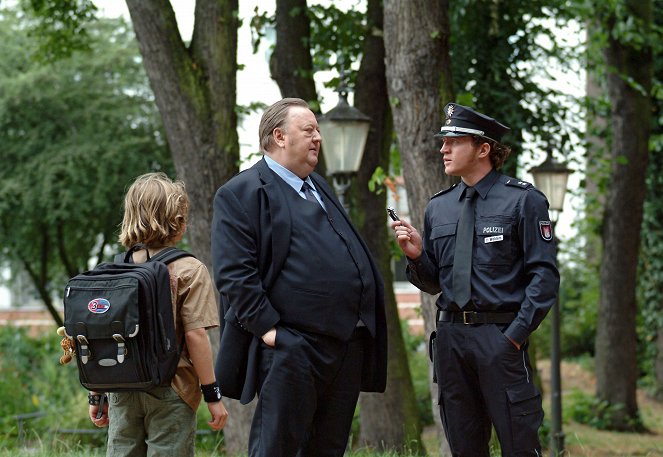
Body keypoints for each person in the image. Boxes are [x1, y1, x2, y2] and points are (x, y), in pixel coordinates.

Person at [211, 97, 387, 457]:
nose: (318, 138)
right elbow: (234, 274)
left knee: (328, 448)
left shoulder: (319, 186)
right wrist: (272, 332)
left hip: (344, 347)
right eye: (308, 130)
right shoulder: (240, 193)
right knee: (279, 449)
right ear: (279, 136)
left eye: (319, 131)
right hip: (292, 350)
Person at [392, 103, 559, 457]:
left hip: (499, 339)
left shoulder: (523, 201)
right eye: (443, 142)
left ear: (484, 149)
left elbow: (544, 278)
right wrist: (417, 256)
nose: (443, 149)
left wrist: (513, 338)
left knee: (519, 445)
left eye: (454, 141)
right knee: (464, 448)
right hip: (451, 342)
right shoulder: (439, 207)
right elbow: (435, 282)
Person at [88, 172, 228, 456]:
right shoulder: (190, 269)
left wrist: (96, 394)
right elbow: (196, 335)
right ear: (178, 222)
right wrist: (212, 395)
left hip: (122, 387)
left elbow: (99, 335)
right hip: (173, 389)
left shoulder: (114, 272)